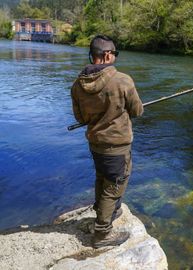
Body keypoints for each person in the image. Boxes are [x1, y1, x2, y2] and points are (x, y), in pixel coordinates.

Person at [70, 35, 144, 248]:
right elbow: (137, 111)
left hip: (95, 144)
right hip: (117, 146)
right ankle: (102, 233)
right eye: (115, 54)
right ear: (107, 55)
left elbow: (80, 119)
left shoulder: (77, 85)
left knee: (102, 178)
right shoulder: (122, 80)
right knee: (115, 185)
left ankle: (107, 210)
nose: (115, 57)